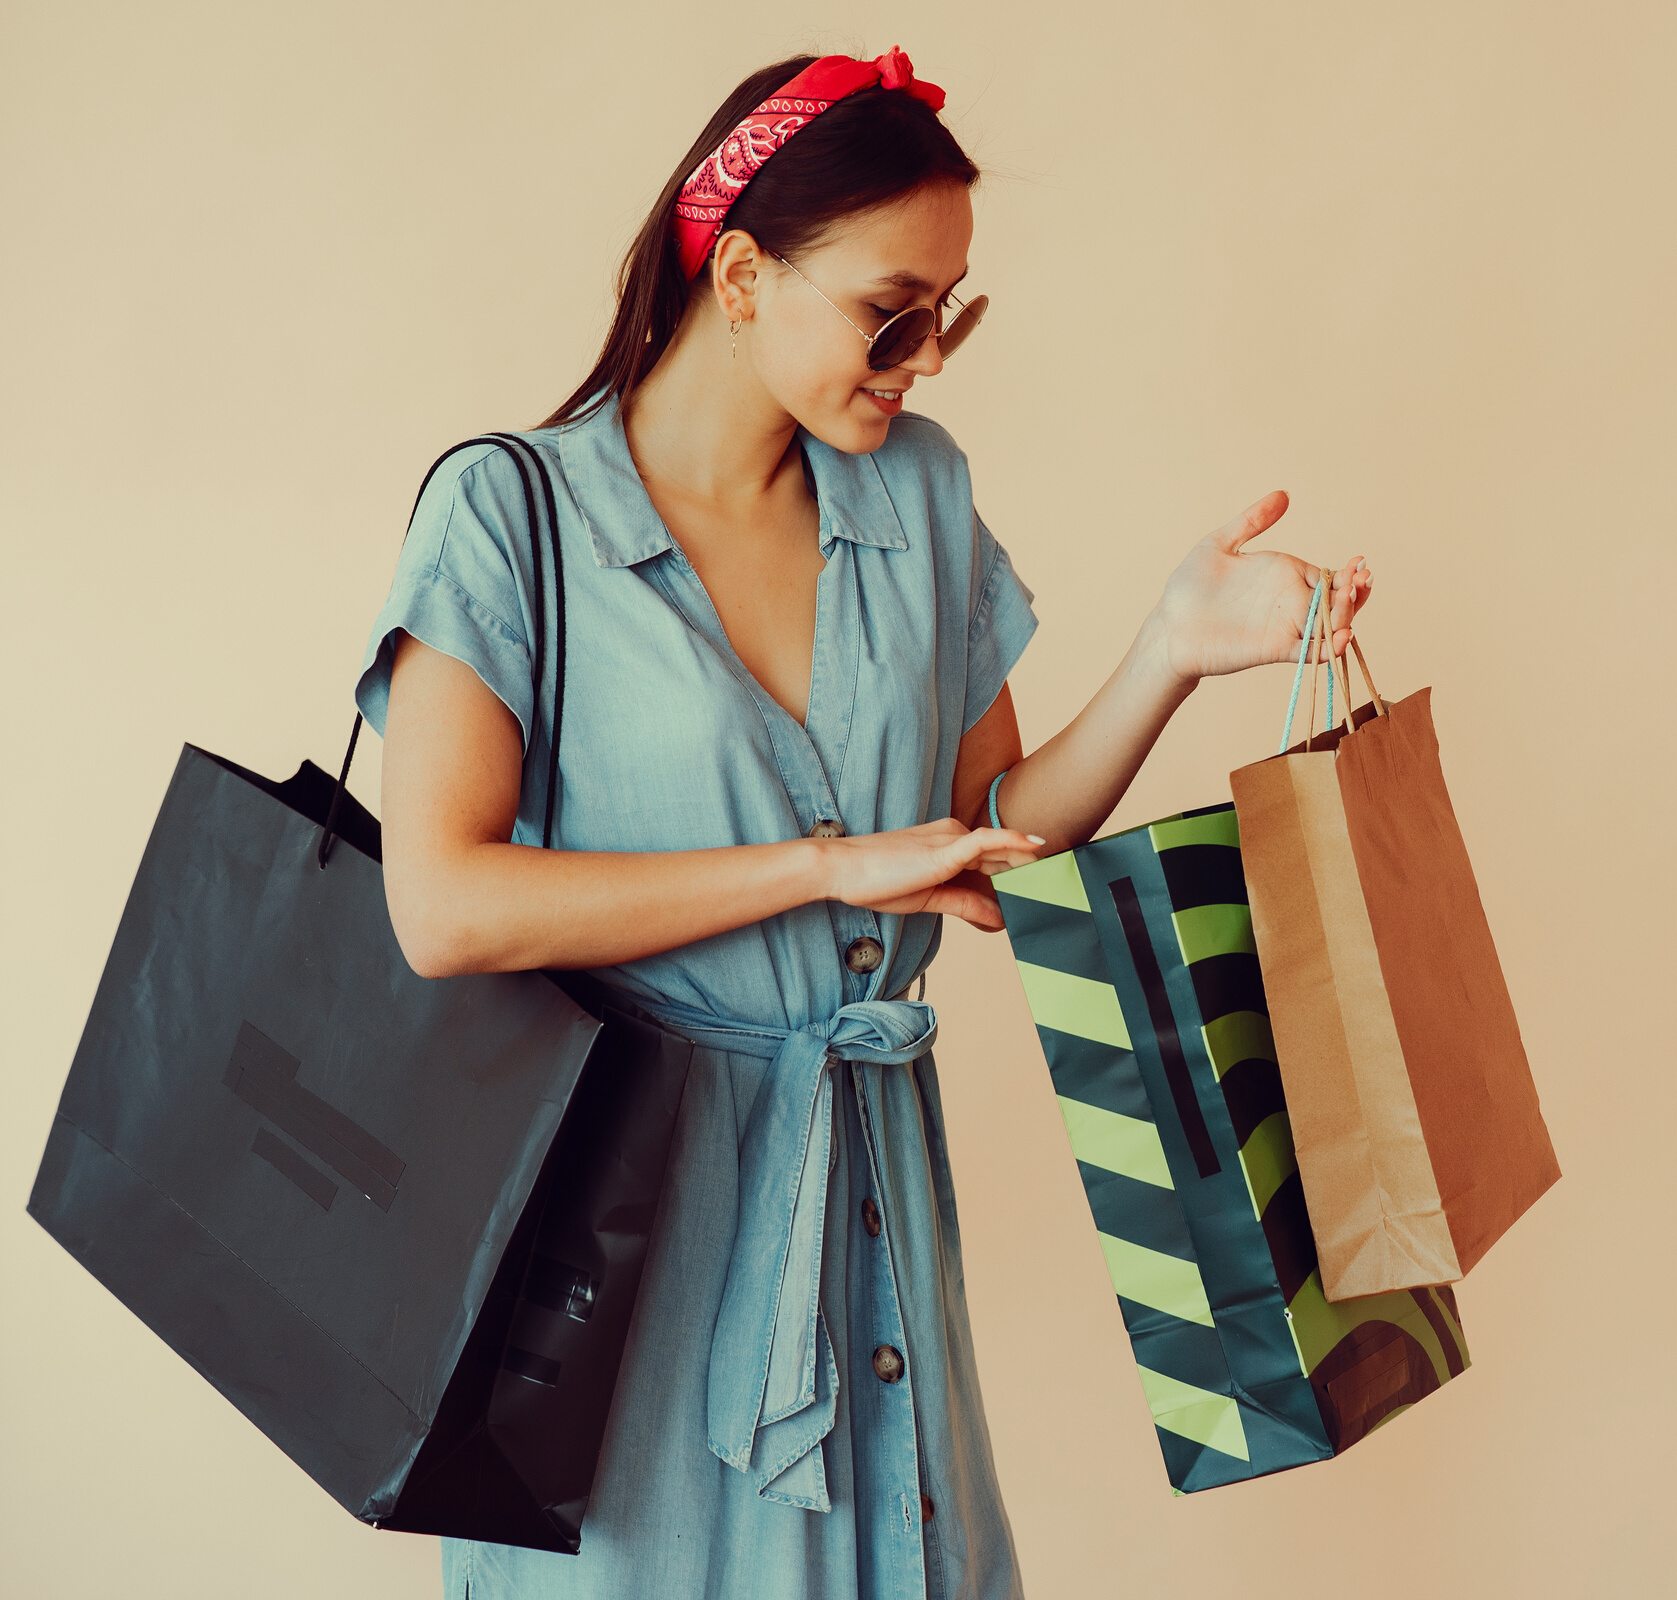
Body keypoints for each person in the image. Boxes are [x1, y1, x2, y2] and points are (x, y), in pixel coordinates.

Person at [355, 48, 1370, 1600]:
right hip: (622, 1235)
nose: (926, 360)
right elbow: (442, 905)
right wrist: (828, 867)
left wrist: (1170, 648)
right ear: (745, 275)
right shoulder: (513, 520)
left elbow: (990, 825)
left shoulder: (922, 496)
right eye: (893, 311)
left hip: (870, 1191)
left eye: (949, 314)